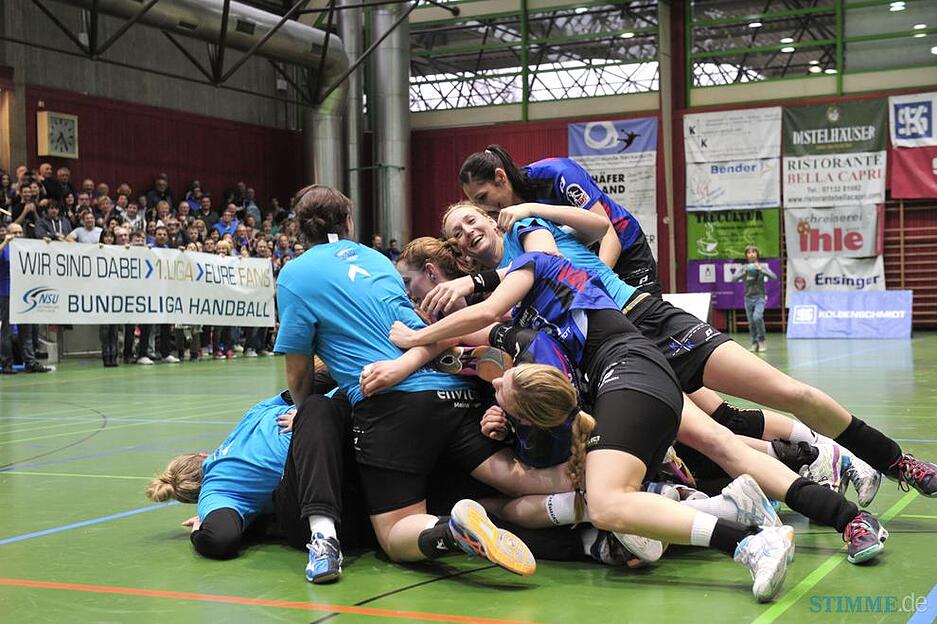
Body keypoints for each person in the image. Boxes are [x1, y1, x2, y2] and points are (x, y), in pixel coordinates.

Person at [431, 203, 937, 501]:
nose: (469, 231)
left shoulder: (526, 232)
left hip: (642, 318)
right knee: (721, 435)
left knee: (788, 391)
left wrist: (531, 208)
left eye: (474, 216)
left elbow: (587, 232)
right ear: (457, 249)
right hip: (615, 361)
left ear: (493, 221)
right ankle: (816, 496)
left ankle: (897, 463)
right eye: (458, 232)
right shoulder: (500, 307)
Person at [275, 185, 586, 582]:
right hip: (451, 393)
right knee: (515, 479)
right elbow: (434, 332)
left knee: (395, 534)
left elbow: (299, 373)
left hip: (393, 407)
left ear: (299, 229)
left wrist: (303, 415)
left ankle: (454, 532)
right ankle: (620, 497)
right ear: (348, 222)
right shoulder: (377, 260)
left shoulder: (295, 275)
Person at [459, 145, 660, 294]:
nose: (484, 208)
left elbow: (609, 236)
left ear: (500, 177)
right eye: (477, 203)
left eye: (483, 197)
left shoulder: (559, 174)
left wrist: (593, 286)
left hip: (625, 246)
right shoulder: (504, 213)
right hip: (586, 261)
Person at [0, 223, 51, 374]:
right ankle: (6, 362)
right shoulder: (5, 247)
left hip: (24, 292)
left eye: (20, 232)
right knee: (7, 330)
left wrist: (46, 246)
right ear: (7, 233)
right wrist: (5, 241)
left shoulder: (26, 247)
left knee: (26, 330)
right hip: (7, 292)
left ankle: (30, 361)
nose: (18, 235)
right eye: (14, 232)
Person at [729, 245, 777, 353]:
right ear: (746, 255)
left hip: (759, 297)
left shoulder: (762, 266)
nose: (751, 254)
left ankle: (762, 340)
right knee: (751, 322)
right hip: (748, 298)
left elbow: (774, 277)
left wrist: (761, 270)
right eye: (749, 252)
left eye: (753, 252)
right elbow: (733, 279)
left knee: (757, 317)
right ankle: (754, 343)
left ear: (757, 254)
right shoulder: (743, 268)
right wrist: (743, 272)